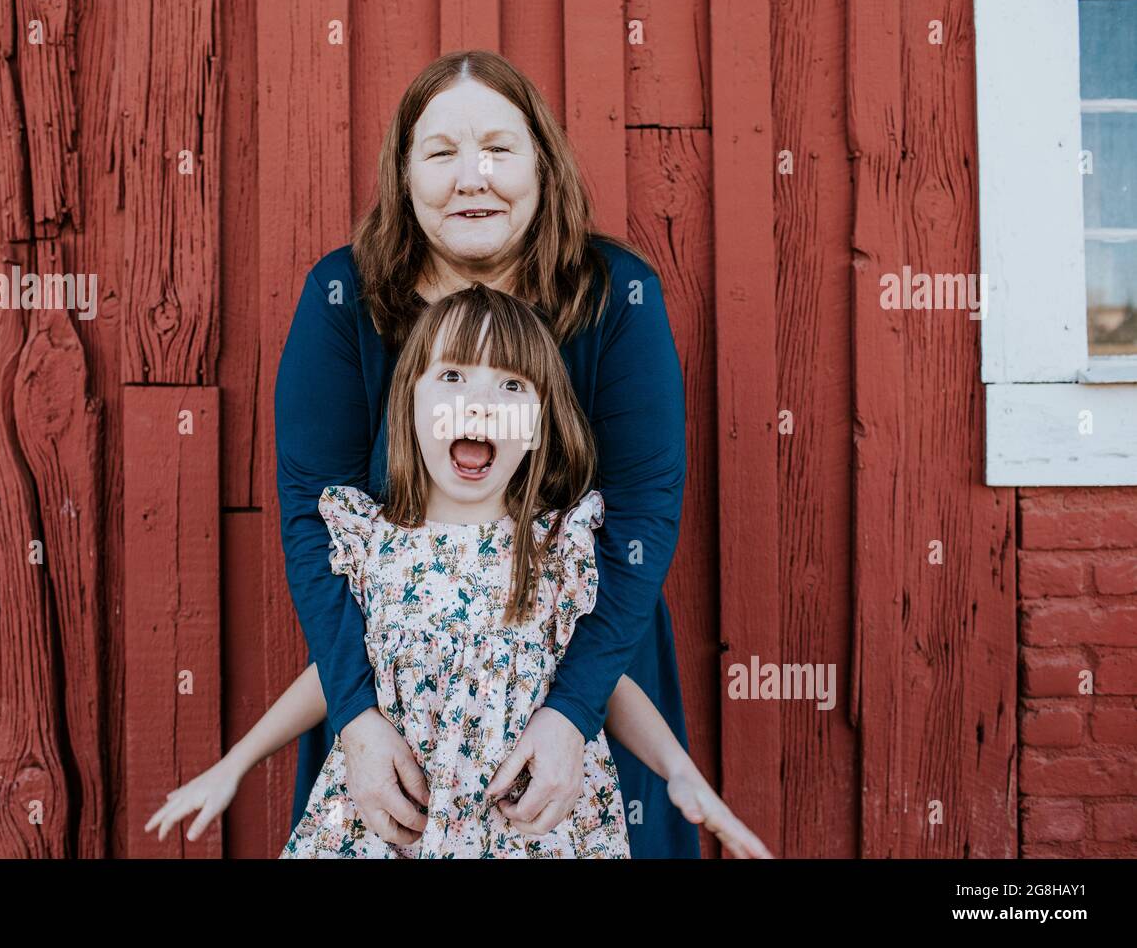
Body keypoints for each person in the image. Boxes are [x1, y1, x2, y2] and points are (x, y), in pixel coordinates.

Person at [146, 286, 771, 859]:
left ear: (537, 428)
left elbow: (605, 688)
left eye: (511, 386)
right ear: (409, 406)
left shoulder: (556, 552)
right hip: (397, 830)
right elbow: (335, 674)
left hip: (526, 835)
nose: (477, 404)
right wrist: (235, 763)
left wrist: (680, 771)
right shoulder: (376, 546)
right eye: (451, 376)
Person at [277, 49, 700, 857]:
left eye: (501, 150)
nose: (473, 177)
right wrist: (357, 718)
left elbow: (644, 516)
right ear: (404, 174)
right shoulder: (344, 300)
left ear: (543, 164)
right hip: (395, 701)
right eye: (440, 153)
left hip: (593, 675)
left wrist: (572, 714)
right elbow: (313, 522)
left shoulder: (615, 297)